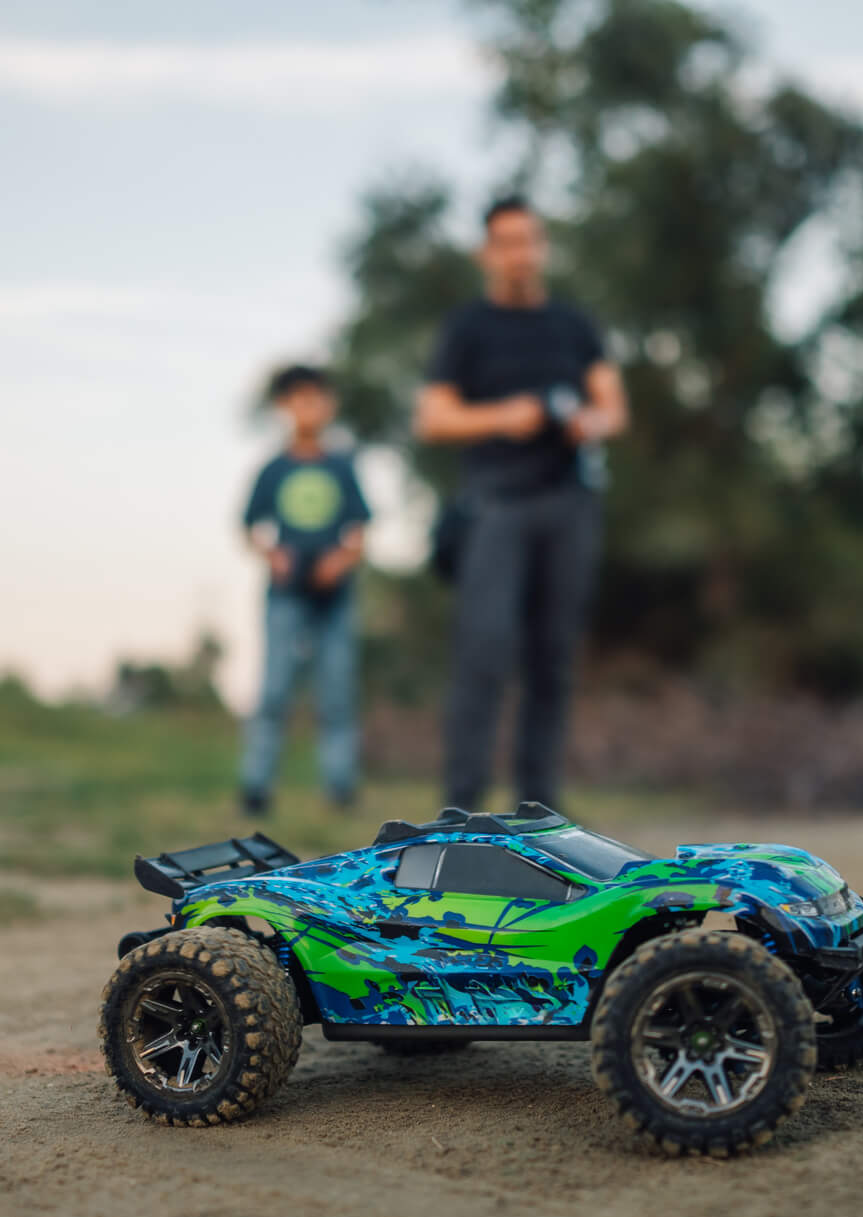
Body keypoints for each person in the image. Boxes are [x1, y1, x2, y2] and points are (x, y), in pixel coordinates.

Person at [413, 195, 627, 812]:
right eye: (505, 241)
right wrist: (505, 415)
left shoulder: (573, 325)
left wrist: (591, 421)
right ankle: (458, 815)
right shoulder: (467, 329)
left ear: (543, 248)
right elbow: (432, 417)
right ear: (487, 253)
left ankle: (540, 814)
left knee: (553, 662)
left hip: (569, 504)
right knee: (483, 653)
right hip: (496, 505)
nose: (519, 253)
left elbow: (613, 405)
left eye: (529, 240)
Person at [238, 364, 371, 816]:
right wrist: (272, 556)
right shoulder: (273, 469)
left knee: (336, 692)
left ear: (329, 406)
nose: (309, 408)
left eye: (317, 398)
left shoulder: (342, 466)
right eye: (299, 399)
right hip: (286, 594)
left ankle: (340, 786)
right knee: (273, 689)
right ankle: (256, 786)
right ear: (284, 407)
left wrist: (341, 559)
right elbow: (248, 527)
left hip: (336, 597)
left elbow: (360, 530)